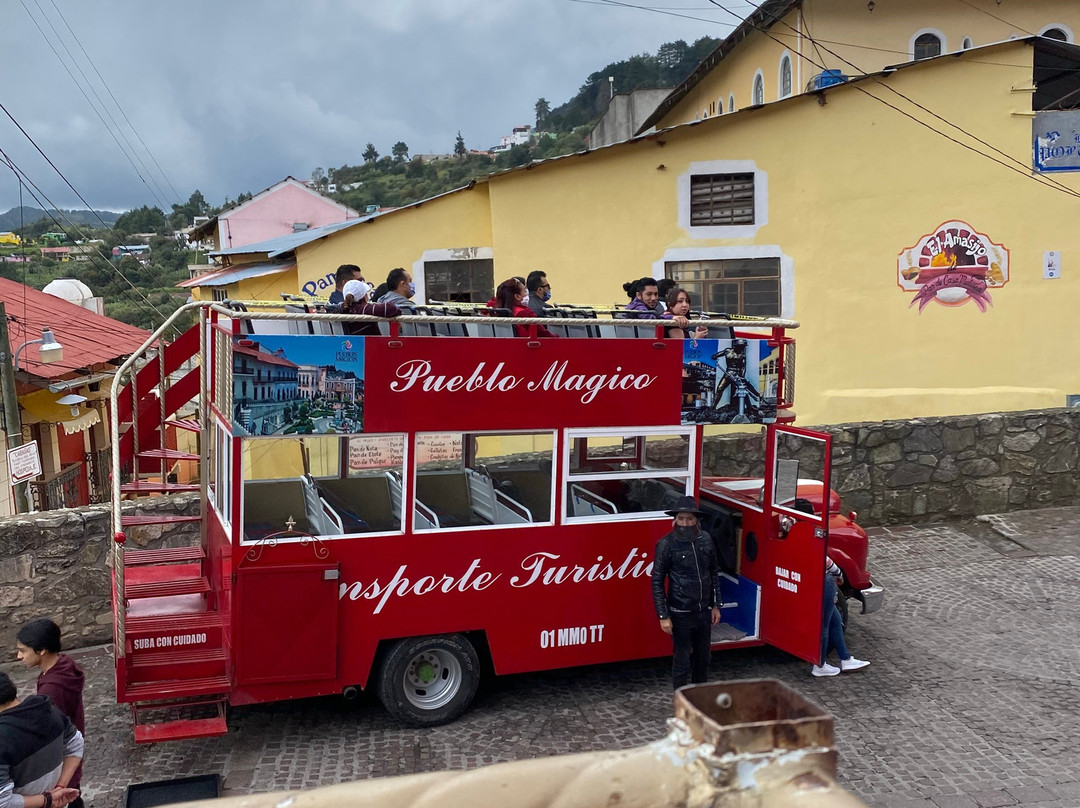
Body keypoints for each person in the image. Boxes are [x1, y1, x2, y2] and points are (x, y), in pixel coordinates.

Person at [651, 495, 722, 689]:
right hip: (680, 612)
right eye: (681, 518)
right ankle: (680, 700)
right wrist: (663, 615)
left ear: (696, 520)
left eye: (689, 518)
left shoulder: (706, 539)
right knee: (682, 661)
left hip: (703, 610)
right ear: (675, 520)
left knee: (703, 659)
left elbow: (714, 571)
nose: (685, 522)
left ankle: (699, 699)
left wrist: (716, 604)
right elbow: (657, 581)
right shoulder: (666, 544)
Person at [15, 620, 84, 808]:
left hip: (61, 764)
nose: (19, 656)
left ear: (42, 650)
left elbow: (51, 731)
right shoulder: (64, 666)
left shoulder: (52, 690)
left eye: (23, 650)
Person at [0, 671, 83, 808]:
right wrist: (60, 786)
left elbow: (3, 802)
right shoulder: (51, 712)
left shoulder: (2, 740)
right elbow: (76, 744)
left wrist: (48, 800)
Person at [812, 556, 870, 677]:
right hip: (824, 578)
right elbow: (825, 560)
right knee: (825, 625)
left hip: (815, 578)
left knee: (836, 620)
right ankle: (820, 665)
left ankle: (846, 659)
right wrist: (838, 573)